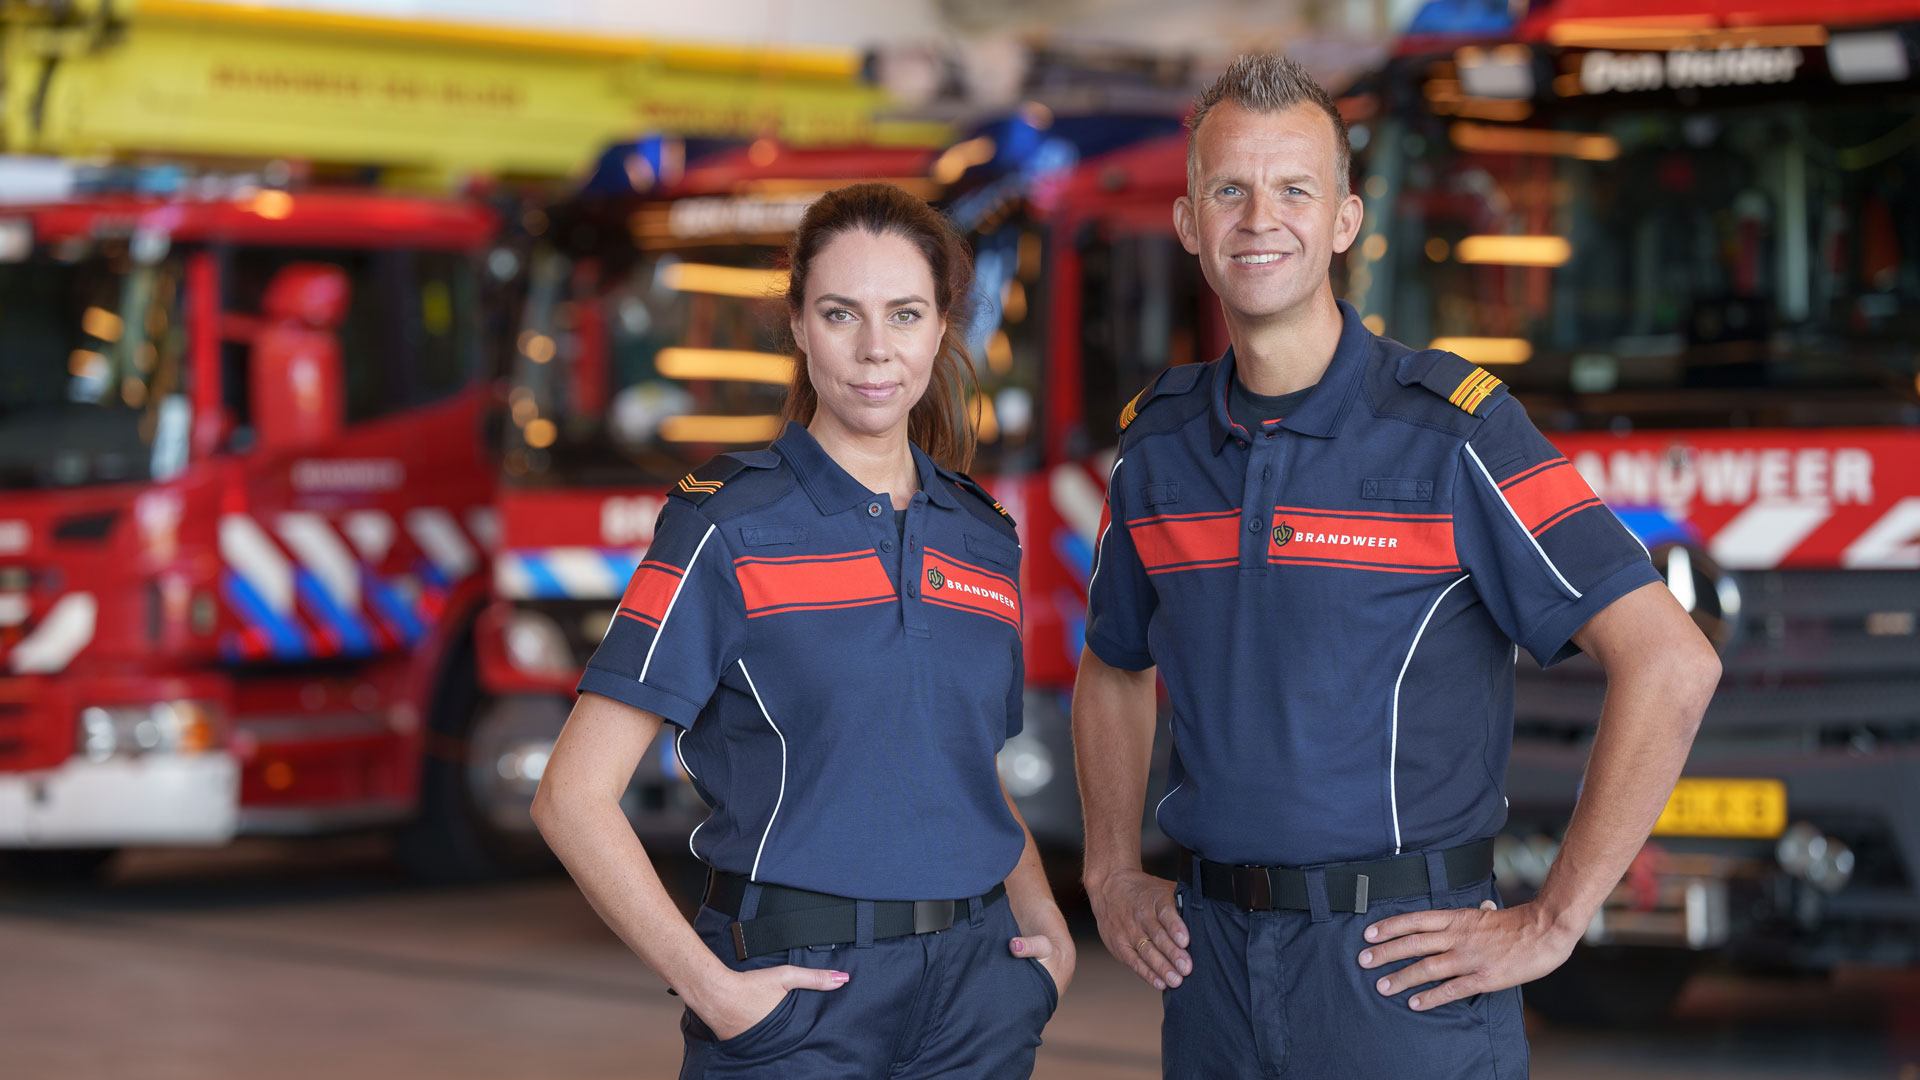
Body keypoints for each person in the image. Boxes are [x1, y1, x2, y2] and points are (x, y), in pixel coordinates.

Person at [1072, 53, 1722, 1078]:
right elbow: (1113, 665)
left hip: (1402, 981)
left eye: (1295, 190)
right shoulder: (1158, 448)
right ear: (1189, 223)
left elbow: (1672, 661)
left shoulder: (1457, 434)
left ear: (1345, 221)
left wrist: (1555, 919)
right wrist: (1108, 869)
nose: (1260, 218)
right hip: (1210, 976)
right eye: (1230, 190)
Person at [533, 181, 1072, 1080]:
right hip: (796, 999)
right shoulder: (723, 526)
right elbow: (572, 798)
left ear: (943, 327)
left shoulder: (984, 538)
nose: (875, 348)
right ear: (797, 324)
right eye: (839, 313)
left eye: (905, 315)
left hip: (978, 1001)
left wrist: (1044, 921)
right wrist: (713, 991)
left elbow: (964, 767)